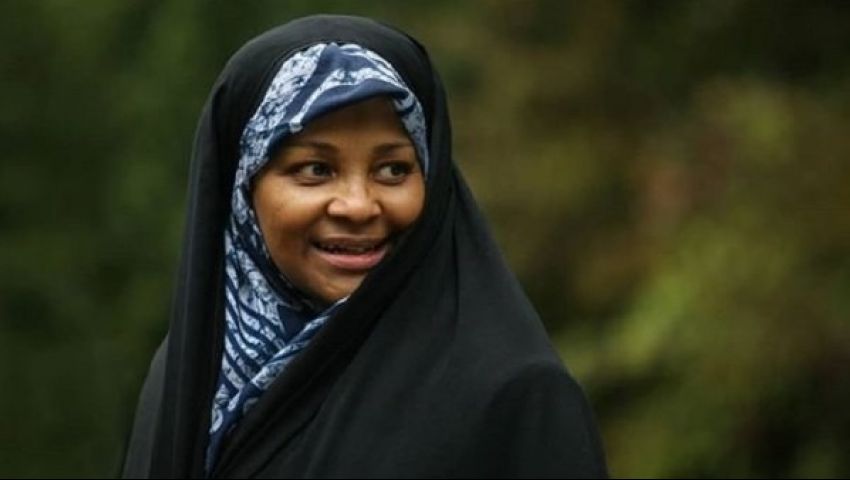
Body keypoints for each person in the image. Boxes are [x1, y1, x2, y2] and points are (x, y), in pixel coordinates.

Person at [122, 14, 608, 478]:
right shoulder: (191, 374)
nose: (358, 205)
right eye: (316, 170)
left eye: (393, 170)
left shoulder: (512, 398)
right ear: (242, 189)